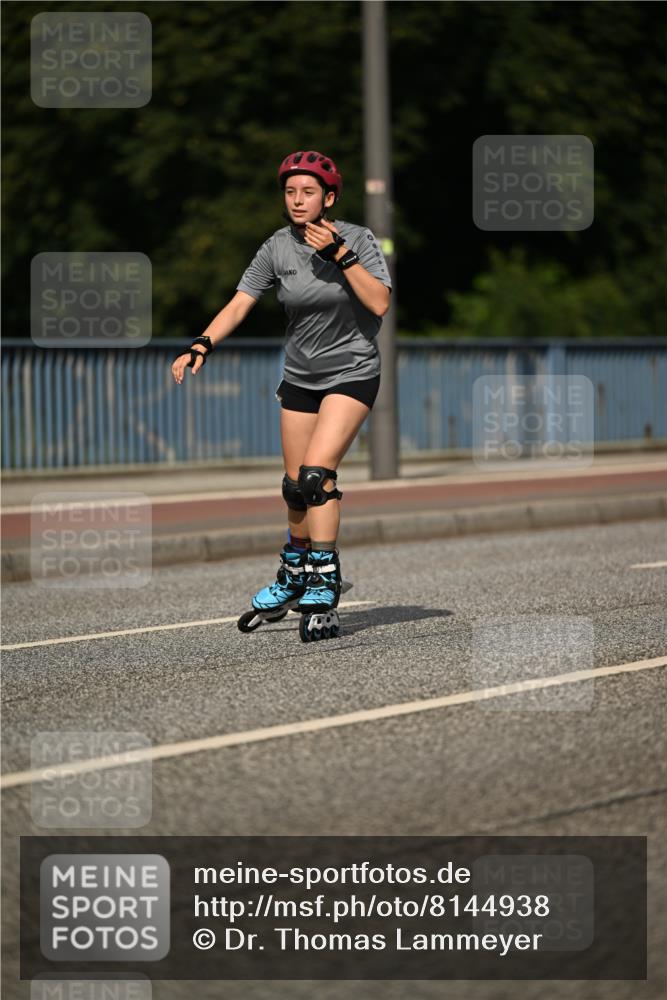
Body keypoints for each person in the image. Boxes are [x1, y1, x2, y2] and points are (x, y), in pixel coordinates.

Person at [171, 150, 392, 637]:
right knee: (294, 488)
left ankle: (323, 578)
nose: (297, 200)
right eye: (290, 192)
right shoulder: (276, 247)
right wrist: (202, 343)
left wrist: (341, 254)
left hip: (352, 373)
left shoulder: (356, 239)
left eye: (308, 192)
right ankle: (294, 574)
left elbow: (379, 301)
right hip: (299, 377)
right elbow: (241, 301)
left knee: (317, 477)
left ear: (328, 197)